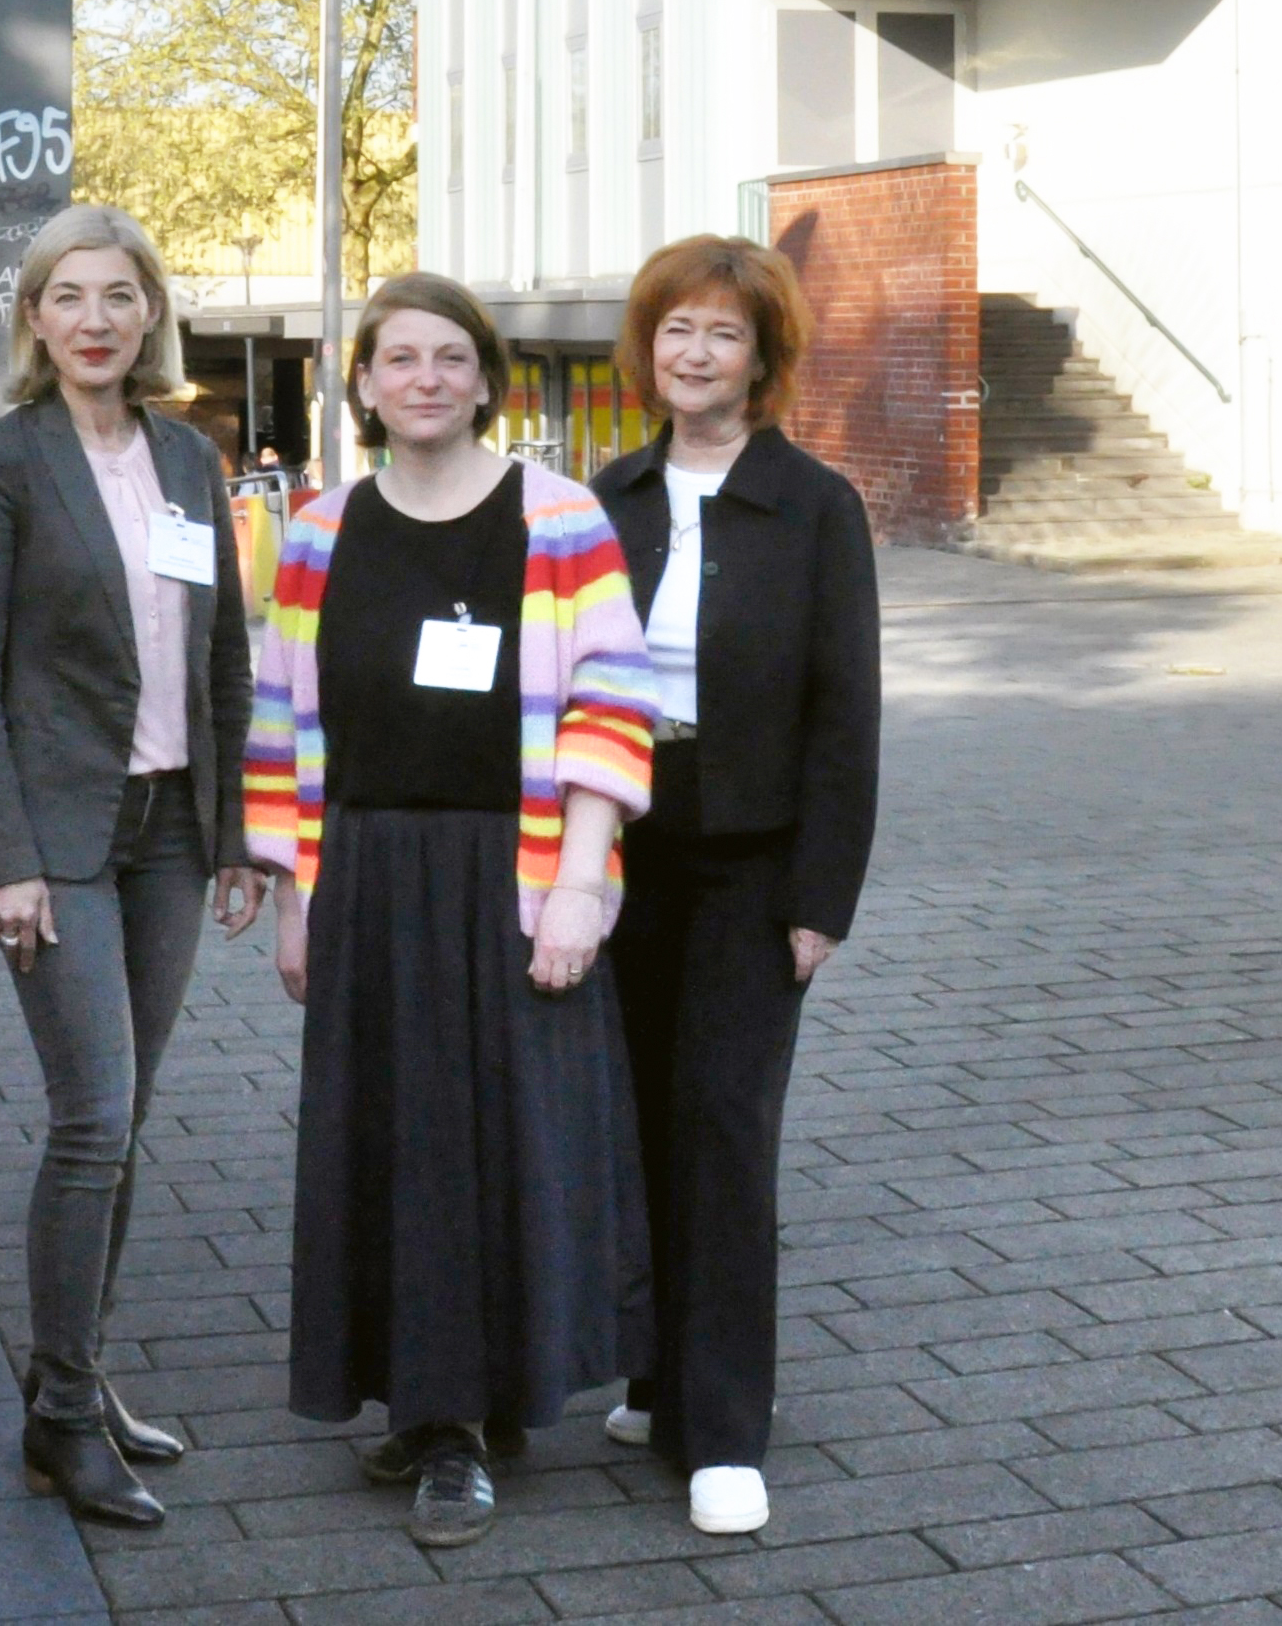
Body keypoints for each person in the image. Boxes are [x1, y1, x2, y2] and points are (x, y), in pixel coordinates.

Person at [245, 272, 658, 1551]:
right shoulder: (318, 531)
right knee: (391, 1144)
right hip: (367, 873)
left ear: (483, 378)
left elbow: (609, 709)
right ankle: (434, 1408)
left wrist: (576, 888)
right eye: (397, 359)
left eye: (447, 357)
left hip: (511, 871)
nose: (422, 378)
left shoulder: (560, 517)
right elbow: (283, 719)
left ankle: (469, 1420)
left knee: (503, 1143)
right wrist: (297, 898)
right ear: (363, 385)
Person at [0, 205, 265, 1528]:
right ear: (32, 318)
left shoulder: (186, 457)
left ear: (149, 314)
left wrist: (233, 831)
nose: (93, 318)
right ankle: (60, 1421)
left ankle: (76, 1375)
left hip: (169, 833)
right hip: (56, 839)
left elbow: (224, 653)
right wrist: (1, 857)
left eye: (117, 295)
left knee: (124, 1122)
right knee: (91, 1118)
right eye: (66, 295)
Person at [592, 235, 881, 1538]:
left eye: (721, 333)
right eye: (675, 330)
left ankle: (721, 1431)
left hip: (753, 861)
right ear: (646, 350)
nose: (694, 353)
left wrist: (821, 897)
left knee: (721, 1125)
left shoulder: (814, 506)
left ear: (761, 358)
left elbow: (844, 714)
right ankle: (655, 1376)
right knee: (633, 1117)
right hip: (618, 844)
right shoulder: (605, 497)